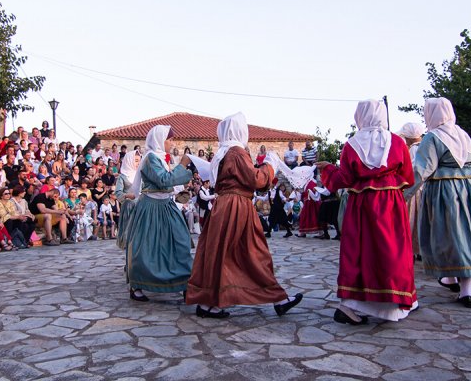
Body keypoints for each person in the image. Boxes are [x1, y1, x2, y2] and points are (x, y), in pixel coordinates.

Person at [186, 112, 303, 318]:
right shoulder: (236, 152)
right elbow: (255, 179)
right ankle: (277, 299)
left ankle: (209, 304)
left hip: (225, 206)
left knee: (221, 253)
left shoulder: (223, 153)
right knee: (254, 252)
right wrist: (269, 165)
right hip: (237, 207)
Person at [318, 99, 418, 324]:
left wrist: (328, 170)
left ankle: (351, 304)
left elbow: (343, 179)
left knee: (359, 251)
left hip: (361, 205)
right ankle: (392, 303)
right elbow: (408, 176)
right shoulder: (397, 143)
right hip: (390, 204)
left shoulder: (352, 145)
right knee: (392, 249)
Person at [404, 97, 471, 309]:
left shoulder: (433, 137)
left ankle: (451, 279)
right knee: (467, 234)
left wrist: (402, 194)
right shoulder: (464, 135)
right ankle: (464, 289)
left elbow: (422, 170)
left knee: (448, 236)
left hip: (444, 190)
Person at [125, 125, 194, 302]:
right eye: (169, 139)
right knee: (147, 246)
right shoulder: (150, 159)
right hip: (151, 207)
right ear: (159, 140)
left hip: (166, 205)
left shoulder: (160, 159)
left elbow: (169, 182)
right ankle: (138, 284)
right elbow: (164, 181)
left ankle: (184, 281)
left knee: (180, 241)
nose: (172, 143)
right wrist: (183, 165)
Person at [397, 122, 427, 258]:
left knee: (411, 220)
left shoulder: (414, 149)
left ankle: (411, 250)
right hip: (424, 188)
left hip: (414, 189)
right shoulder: (425, 146)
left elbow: (413, 170)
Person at [115, 150, 140, 249]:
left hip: (141, 203)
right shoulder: (122, 177)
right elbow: (118, 192)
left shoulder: (141, 174)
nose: (138, 163)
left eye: (139, 160)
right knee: (129, 204)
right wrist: (127, 195)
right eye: (136, 160)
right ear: (129, 161)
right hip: (129, 205)